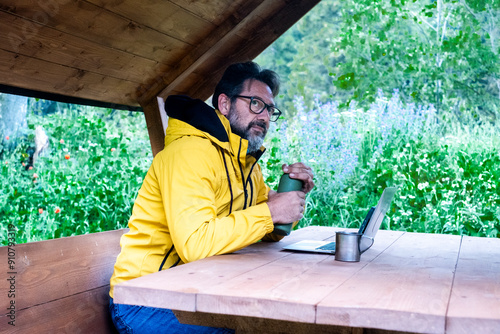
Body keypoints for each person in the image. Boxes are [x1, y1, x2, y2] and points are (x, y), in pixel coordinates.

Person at [109, 61, 315, 333]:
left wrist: (290, 197)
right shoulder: (189, 153)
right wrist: (271, 211)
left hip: (198, 290)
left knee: (284, 318)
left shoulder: (245, 163)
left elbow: (269, 230)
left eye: (269, 109)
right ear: (225, 103)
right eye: (255, 103)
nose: (264, 116)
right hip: (144, 299)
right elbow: (195, 244)